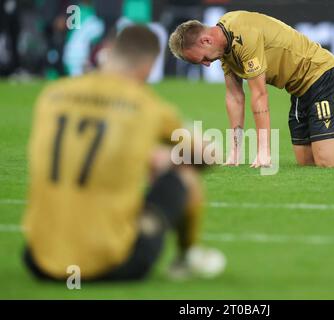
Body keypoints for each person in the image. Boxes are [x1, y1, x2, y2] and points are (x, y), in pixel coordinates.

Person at [23, 25, 225, 282]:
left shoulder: (52, 95)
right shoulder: (145, 105)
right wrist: (161, 159)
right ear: (149, 67)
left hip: (39, 260)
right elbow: (208, 155)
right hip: (114, 263)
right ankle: (187, 257)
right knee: (183, 173)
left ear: (106, 53)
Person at [168, 11, 334, 168]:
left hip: (324, 76)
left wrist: (263, 151)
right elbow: (235, 96)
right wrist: (235, 149)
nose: (204, 64)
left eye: (200, 58)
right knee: (307, 160)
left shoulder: (242, 34)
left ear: (205, 39)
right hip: (300, 89)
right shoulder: (223, 47)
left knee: (329, 161)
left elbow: (259, 95)